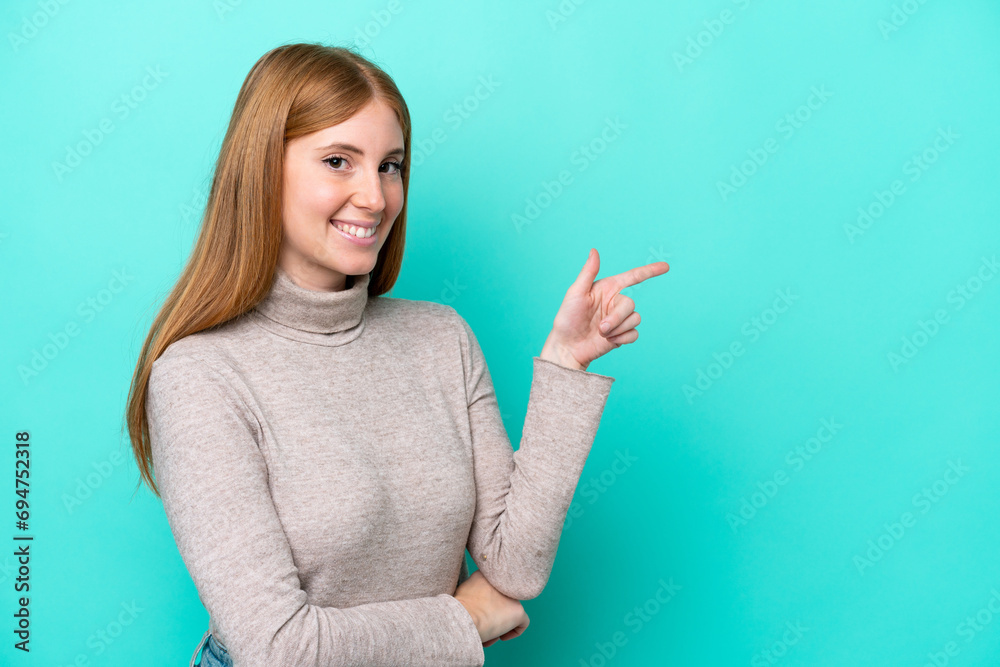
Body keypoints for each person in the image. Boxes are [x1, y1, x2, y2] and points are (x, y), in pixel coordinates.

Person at [124, 42, 668, 667]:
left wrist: (566, 366)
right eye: (338, 161)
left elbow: (514, 567)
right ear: (261, 171)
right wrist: (467, 619)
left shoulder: (441, 338)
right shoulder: (199, 377)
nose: (376, 197)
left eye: (390, 166)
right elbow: (278, 649)